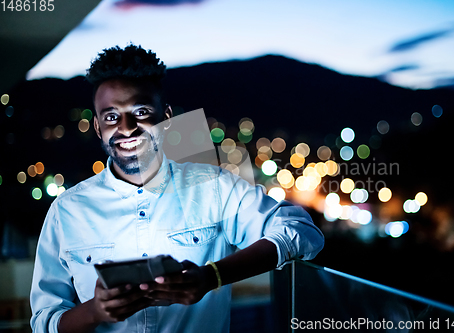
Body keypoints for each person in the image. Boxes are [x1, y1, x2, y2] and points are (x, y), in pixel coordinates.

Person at [30, 44, 324, 333]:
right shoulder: (66, 210)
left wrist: (213, 276)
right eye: (111, 117)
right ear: (97, 127)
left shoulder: (214, 187)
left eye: (141, 111)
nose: (127, 127)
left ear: (167, 119)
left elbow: (301, 232)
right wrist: (94, 311)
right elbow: (44, 321)